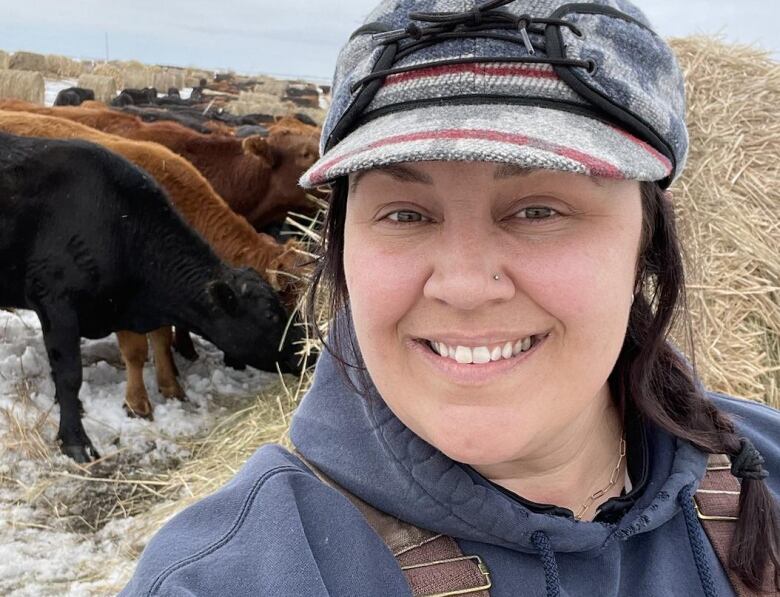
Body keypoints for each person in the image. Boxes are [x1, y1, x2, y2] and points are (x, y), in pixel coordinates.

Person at [121, 1, 780, 595]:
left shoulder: (764, 472)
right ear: (342, 247)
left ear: (648, 241)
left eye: (539, 209)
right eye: (405, 213)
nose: (462, 285)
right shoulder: (228, 577)